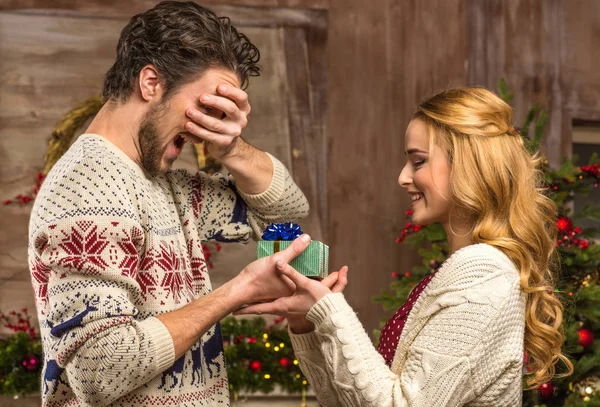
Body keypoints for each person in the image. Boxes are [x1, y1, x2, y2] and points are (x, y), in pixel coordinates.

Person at [28, 1, 311, 405]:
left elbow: (283, 213)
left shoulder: (164, 183)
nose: (205, 130)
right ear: (150, 83)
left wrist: (231, 148)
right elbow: (100, 371)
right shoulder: (89, 183)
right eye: (206, 106)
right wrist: (239, 291)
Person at [237, 87, 574, 406]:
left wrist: (329, 308)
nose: (403, 177)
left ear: (468, 166)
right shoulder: (461, 270)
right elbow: (347, 401)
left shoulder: (484, 274)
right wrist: (307, 321)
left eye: (418, 161)